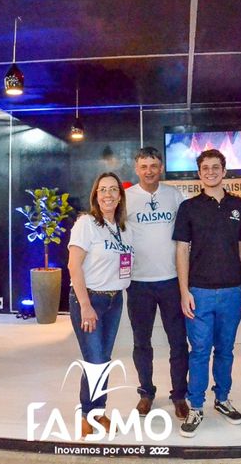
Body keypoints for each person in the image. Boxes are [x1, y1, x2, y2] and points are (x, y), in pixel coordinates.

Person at [173, 149, 241, 438]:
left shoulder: (240, 206)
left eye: (215, 167)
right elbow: (182, 250)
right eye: (205, 168)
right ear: (199, 173)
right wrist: (184, 291)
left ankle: (222, 398)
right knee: (200, 351)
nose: (210, 172)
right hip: (199, 292)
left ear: (224, 170)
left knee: (225, 350)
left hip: (232, 290)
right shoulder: (188, 208)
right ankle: (196, 406)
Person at [124, 147, 190, 420]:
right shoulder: (126, 198)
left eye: (153, 166)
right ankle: (146, 393)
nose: (149, 171)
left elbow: (187, 234)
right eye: (144, 166)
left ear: (161, 167)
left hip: (172, 281)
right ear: (136, 169)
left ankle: (179, 395)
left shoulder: (174, 195)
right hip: (138, 282)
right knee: (142, 342)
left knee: (178, 342)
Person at [67, 172, 133, 438]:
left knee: (103, 360)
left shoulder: (123, 228)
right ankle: (86, 415)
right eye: (103, 189)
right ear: (95, 195)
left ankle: (98, 412)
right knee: (94, 360)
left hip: (114, 301)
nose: (108, 194)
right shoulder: (86, 224)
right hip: (89, 300)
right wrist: (85, 305)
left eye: (113, 189)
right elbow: (73, 266)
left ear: (120, 196)